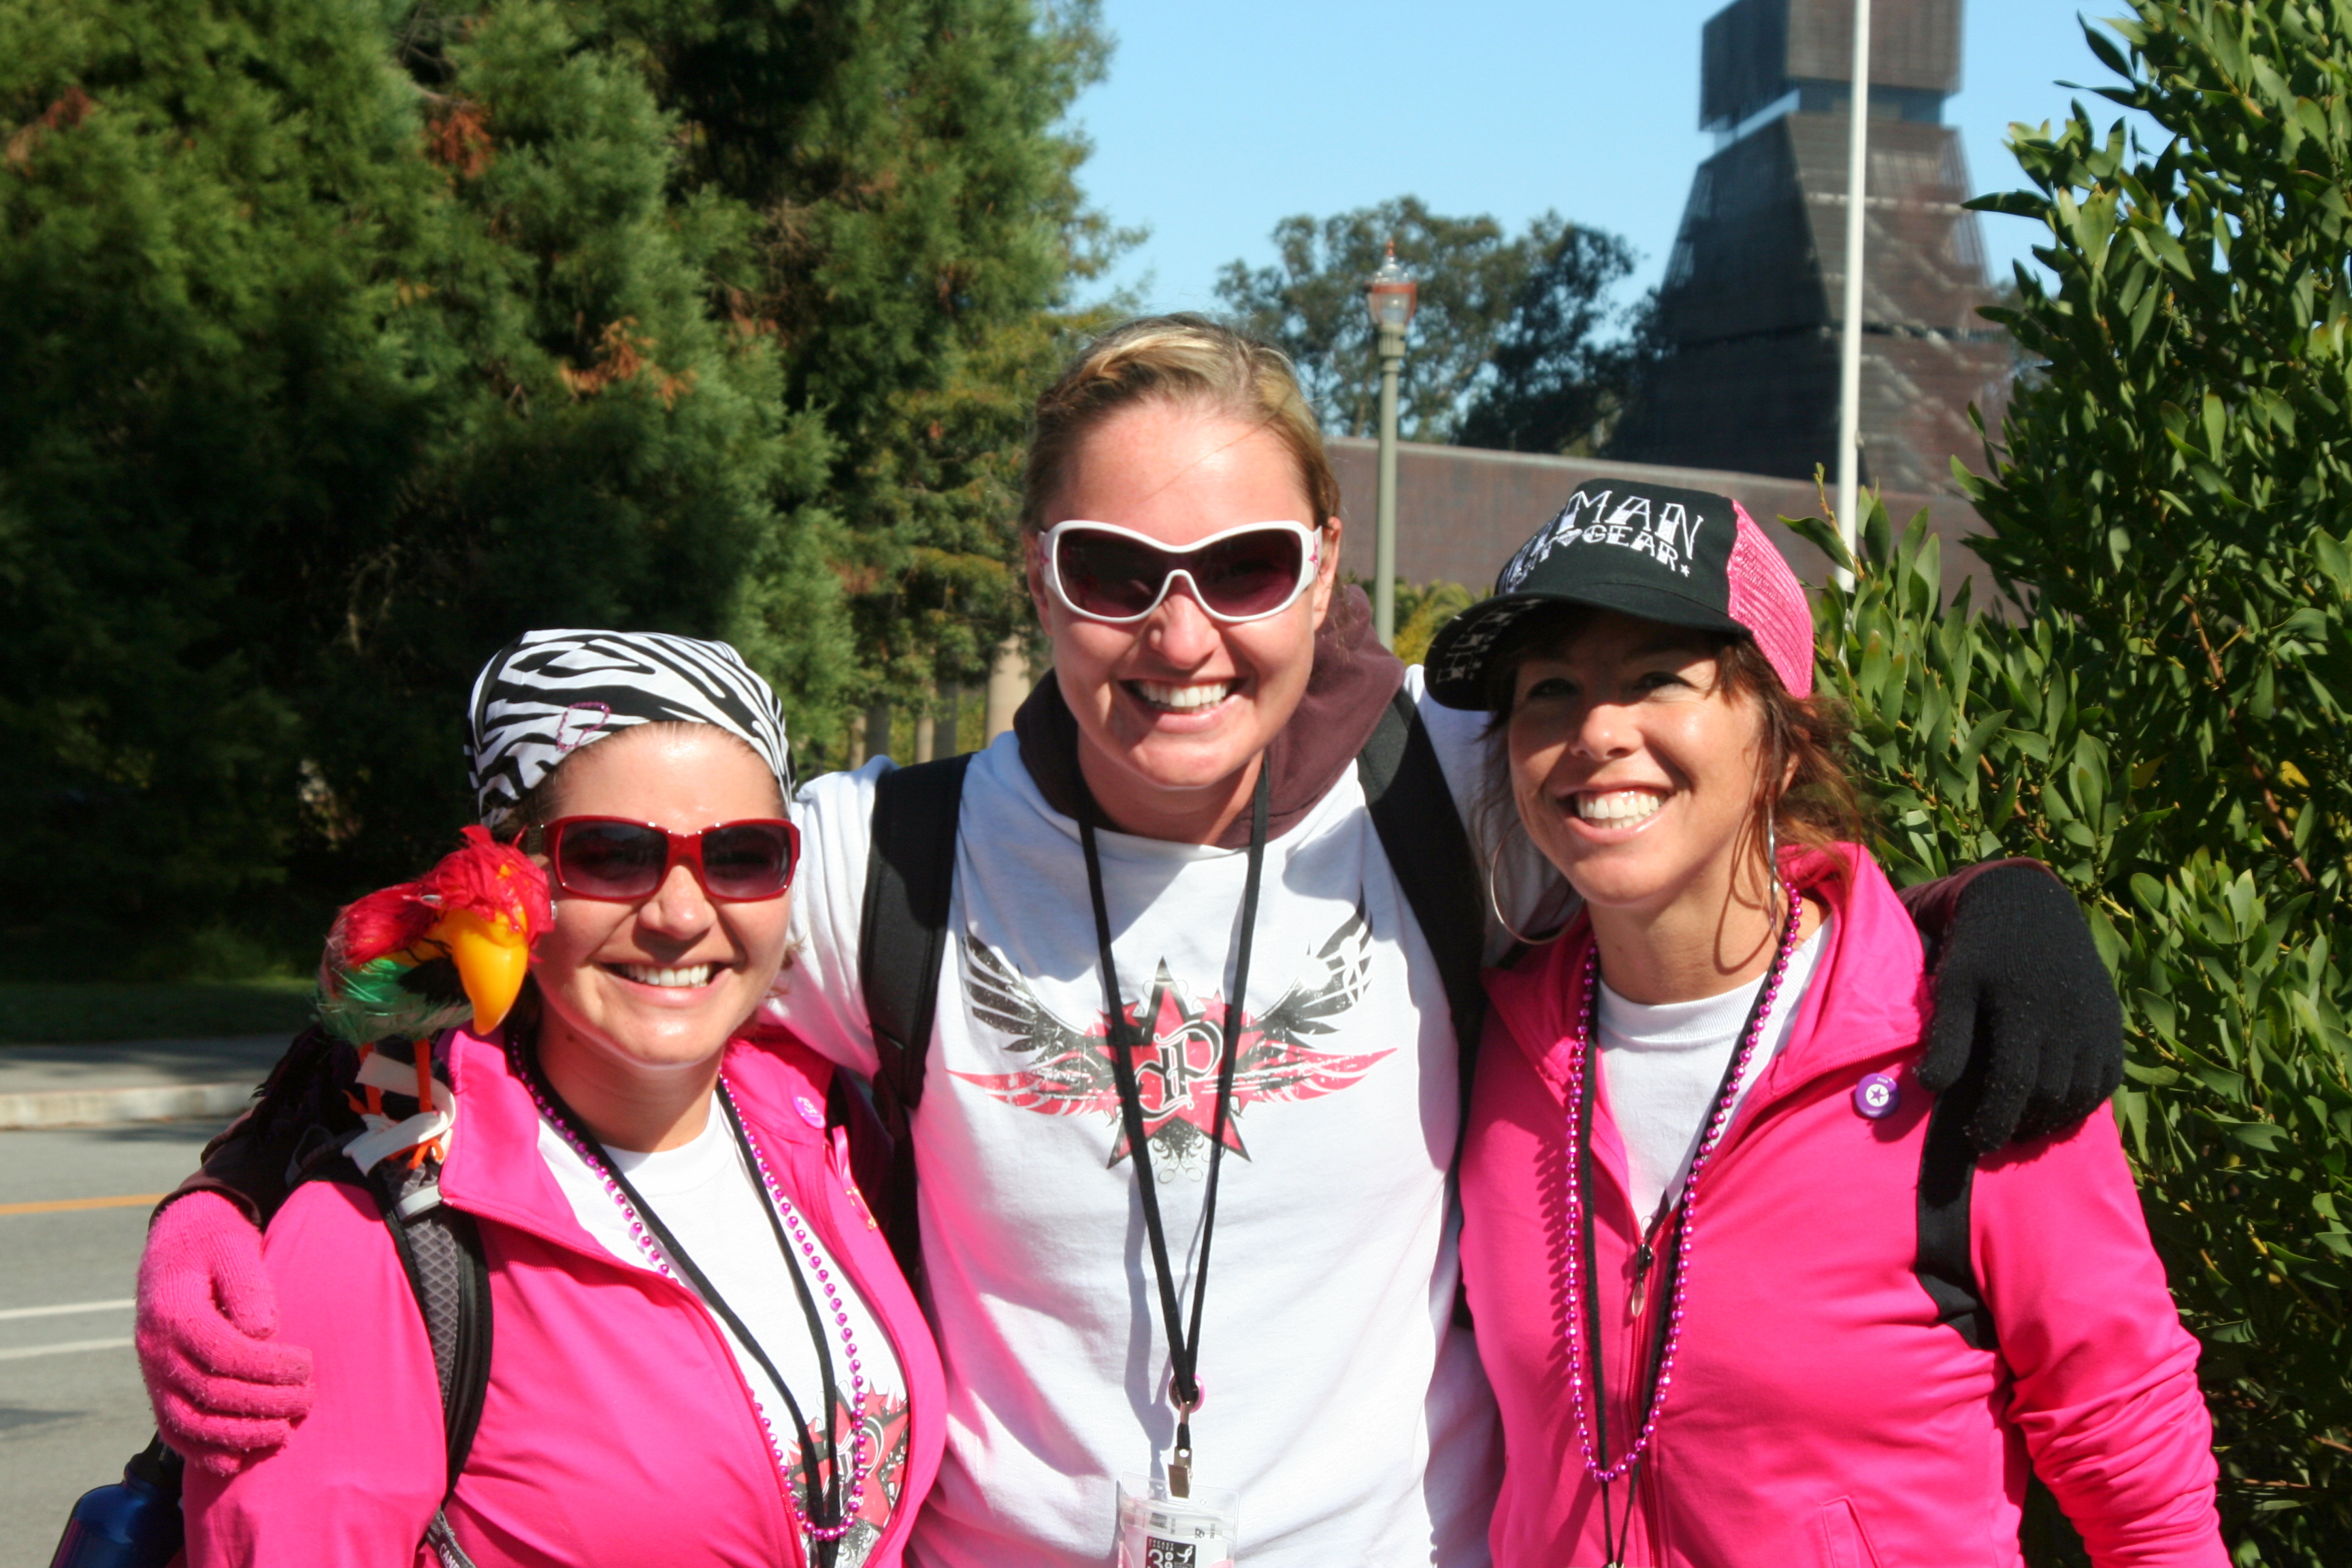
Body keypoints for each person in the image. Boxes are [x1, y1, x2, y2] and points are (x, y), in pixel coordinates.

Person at [140, 318, 2126, 1568]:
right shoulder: (862, 859)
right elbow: (518, 935)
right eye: (1112, 574)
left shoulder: (1459, 793)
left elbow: (1713, 869)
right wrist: (237, 1199)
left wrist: (1983, 913)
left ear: (1324, 571)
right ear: (1040, 578)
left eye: (1244, 568)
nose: (1182, 636)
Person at [1427, 480, 2223, 1565]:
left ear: (1783, 740)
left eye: (1660, 679)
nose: (1598, 732)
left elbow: (2133, 1460)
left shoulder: (1961, 1042)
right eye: (1551, 690)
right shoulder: (1492, 1041)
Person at [176, 632, 944, 1568]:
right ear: (513, 883)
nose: (681, 914)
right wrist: (218, 1199)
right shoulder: (379, 1235)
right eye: (614, 855)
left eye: (742, 853)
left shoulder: (827, 1123)